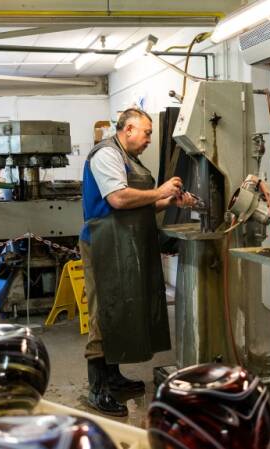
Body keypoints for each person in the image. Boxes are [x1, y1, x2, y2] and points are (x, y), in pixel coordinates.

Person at [79, 108, 196, 416]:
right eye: (146, 133)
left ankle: (113, 377)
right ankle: (97, 388)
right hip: (103, 242)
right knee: (105, 311)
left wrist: (168, 200)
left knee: (123, 309)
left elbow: (140, 204)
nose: (148, 140)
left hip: (124, 242)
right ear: (128, 129)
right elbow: (118, 199)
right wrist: (159, 190)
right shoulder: (106, 154)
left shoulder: (127, 156)